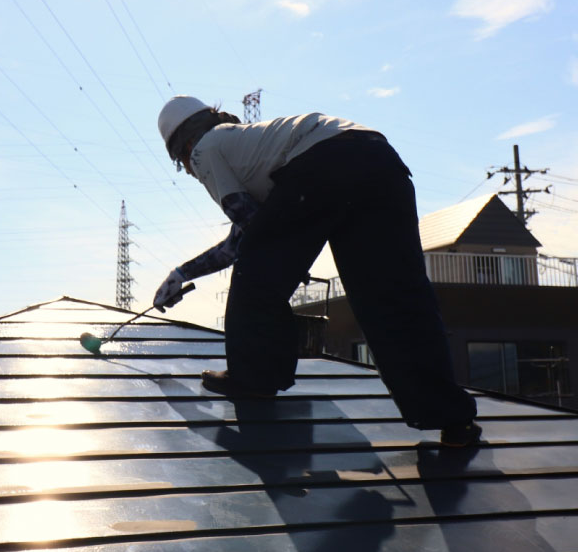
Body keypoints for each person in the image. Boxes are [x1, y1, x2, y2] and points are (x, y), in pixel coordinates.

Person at [153, 95, 481, 447]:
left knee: (255, 274)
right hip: (379, 159)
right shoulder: (251, 148)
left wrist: (285, 258)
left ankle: (253, 380)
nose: (189, 171)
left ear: (186, 144)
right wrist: (183, 273)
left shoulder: (205, 148)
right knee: (395, 296)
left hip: (325, 163)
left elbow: (251, 235)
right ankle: (451, 416)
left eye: (182, 163)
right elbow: (249, 233)